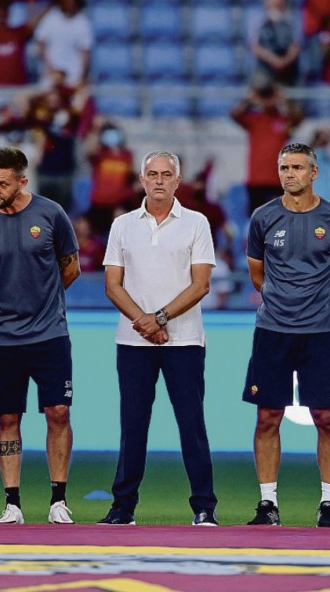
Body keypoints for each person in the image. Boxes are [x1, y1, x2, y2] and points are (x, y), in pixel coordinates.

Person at [97, 150, 219, 526]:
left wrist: (159, 318)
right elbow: (111, 285)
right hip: (134, 341)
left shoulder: (196, 223)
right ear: (142, 179)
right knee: (133, 425)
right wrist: (144, 322)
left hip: (183, 339)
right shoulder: (123, 225)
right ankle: (122, 507)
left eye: (167, 174)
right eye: (153, 174)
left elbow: (201, 285)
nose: (160, 180)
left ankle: (203, 507)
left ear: (178, 181)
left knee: (191, 424)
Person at [0, 147, 80, 525]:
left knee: (58, 412)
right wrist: (5, 297)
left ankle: (58, 501)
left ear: (22, 181)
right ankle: (12, 503)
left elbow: (71, 267)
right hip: (0, 337)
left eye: (2, 183)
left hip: (49, 334)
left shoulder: (50, 214)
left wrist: (40, 299)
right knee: (7, 418)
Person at [243, 142, 330, 527]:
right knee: (267, 417)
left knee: (325, 417)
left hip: (319, 334)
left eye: (296, 167)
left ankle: (328, 503)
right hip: (272, 331)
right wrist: (281, 301)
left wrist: (325, 307)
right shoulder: (263, 217)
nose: (289, 174)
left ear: (313, 172)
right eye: (284, 167)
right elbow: (257, 275)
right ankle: (268, 503)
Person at [231, 84, 304, 215]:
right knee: (256, 220)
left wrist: (284, 99)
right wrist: (249, 100)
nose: (269, 100)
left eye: (271, 97)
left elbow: (298, 118)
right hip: (256, 180)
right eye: (266, 97)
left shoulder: (283, 120)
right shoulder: (254, 119)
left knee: (278, 220)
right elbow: (234, 115)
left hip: (277, 180)